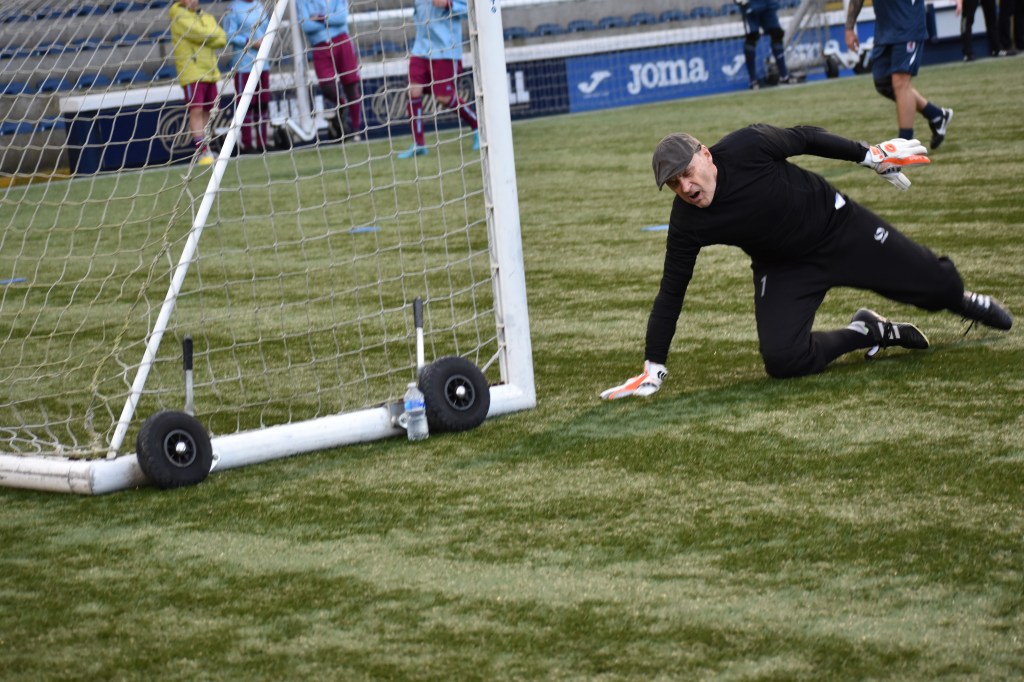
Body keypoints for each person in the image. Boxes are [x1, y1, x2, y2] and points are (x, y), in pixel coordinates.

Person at [600, 124, 1012, 400]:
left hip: (840, 230)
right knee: (783, 360)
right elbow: (671, 292)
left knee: (937, 287)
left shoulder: (748, 146)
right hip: (783, 267)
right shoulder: (686, 222)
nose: (686, 186)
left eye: (687, 172)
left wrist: (869, 155)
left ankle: (961, 300)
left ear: (706, 155)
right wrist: (654, 365)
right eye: (674, 183)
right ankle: (869, 331)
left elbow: (806, 138)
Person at [845, 0, 953, 149]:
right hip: (885, 28)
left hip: (908, 24)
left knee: (900, 83)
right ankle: (936, 115)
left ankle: (905, 144)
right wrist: (849, 28)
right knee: (883, 83)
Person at [397, 0, 480, 159]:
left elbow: (469, 10)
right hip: (420, 49)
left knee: (444, 97)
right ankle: (419, 144)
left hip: (445, 51)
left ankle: (478, 127)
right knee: (413, 91)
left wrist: (449, 4)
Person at [169, 0, 228, 165]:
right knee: (196, 111)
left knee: (210, 111)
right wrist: (210, 35)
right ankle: (201, 152)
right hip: (192, 72)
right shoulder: (178, 16)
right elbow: (197, 33)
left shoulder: (207, 17)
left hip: (210, 71)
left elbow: (222, 38)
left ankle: (206, 147)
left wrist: (208, 36)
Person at [296, 0, 364, 142]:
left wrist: (319, 18)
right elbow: (306, 26)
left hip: (342, 41)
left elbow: (342, 18)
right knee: (327, 86)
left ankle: (356, 129)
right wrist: (329, 19)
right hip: (320, 45)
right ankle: (342, 104)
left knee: (351, 85)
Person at [222, 0, 271, 154]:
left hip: (263, 63)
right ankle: (247, 144)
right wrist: (250, 42)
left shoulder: (260, 5)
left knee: (262, 104)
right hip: (244, 65)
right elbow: (229, 35)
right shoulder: (233, 9)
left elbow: (268, 27)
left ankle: (263, 143)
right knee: (246, 105)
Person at [735, 0, 797, 89]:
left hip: (768, 3)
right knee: (752, 36)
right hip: (751, 5)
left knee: (777, 34)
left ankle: (784, 76)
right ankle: (753, 81)